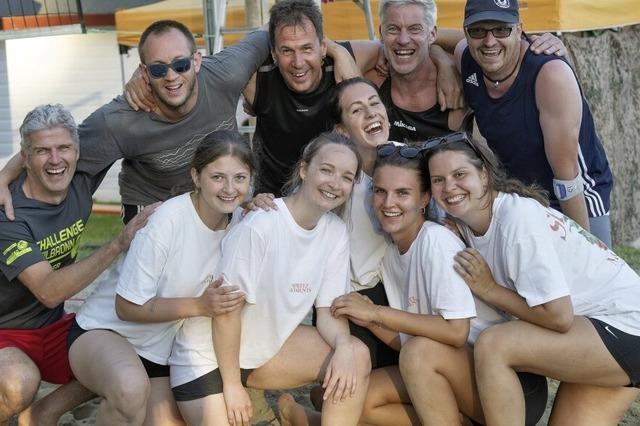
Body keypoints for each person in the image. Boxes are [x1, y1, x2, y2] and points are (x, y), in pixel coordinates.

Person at [424, 132, 640, 425]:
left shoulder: (515, 220)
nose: (450, 187)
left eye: (460, 174)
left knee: (495, 345)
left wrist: (490, 289)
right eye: (438, 180)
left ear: (484, 175)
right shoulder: (470, 221)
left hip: (624, 325)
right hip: (596, 328)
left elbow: (559, 318)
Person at [169, 132, 371, 426]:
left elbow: (327, 311)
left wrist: (342, 346)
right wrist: (233, 387)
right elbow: (226, 313)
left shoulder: (335, 232)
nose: (334, 183)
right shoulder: (261, 225)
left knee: (356, 354)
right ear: (304, 169)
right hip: (208, 358)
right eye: (326, 170)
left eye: (346, 177)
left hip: (259, 355)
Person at [0, 19, 270, 224]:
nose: (171, 76)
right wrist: (4, 178)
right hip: (152, 208)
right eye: (158, 68)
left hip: (211, 200)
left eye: (180, 65)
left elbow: (272, 32)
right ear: (143, 72)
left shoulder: (226, 72)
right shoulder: (121, 120)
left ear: (196, 61)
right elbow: (55, 149)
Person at [67, 131, 252, 425]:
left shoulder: (243, 222)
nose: (229, 188)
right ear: (196, 176)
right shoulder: (166, 222)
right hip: (106, 332)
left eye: (240, 178)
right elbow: (125, 307)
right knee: (129, 390)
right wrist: (200, 306)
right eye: (217, 177)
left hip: (162, 353)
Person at [0, 104, 153, 425]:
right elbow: (48, 291)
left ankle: (45, 412)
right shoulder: (8, 214)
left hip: (51, 326)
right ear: (25, 158)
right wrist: (118, 243)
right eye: (42, 151)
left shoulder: (81, 176)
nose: (56, 160)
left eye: (63, 148)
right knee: (17, 384)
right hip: (5, 331)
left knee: (125, 351)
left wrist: (143, 83)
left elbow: (120, 115)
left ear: (77, 151)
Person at [455, 0, 613, 246]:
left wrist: (584, 246)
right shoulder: (465, 59)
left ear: (520, 29)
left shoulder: (549, 75)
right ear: (466, 32)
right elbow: (428, 37)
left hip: (575, 194)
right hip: (522, 192)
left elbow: (568, 178)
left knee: (594, 275)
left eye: (501, 29)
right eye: (478, 30)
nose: (489, 41)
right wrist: (440, 61)